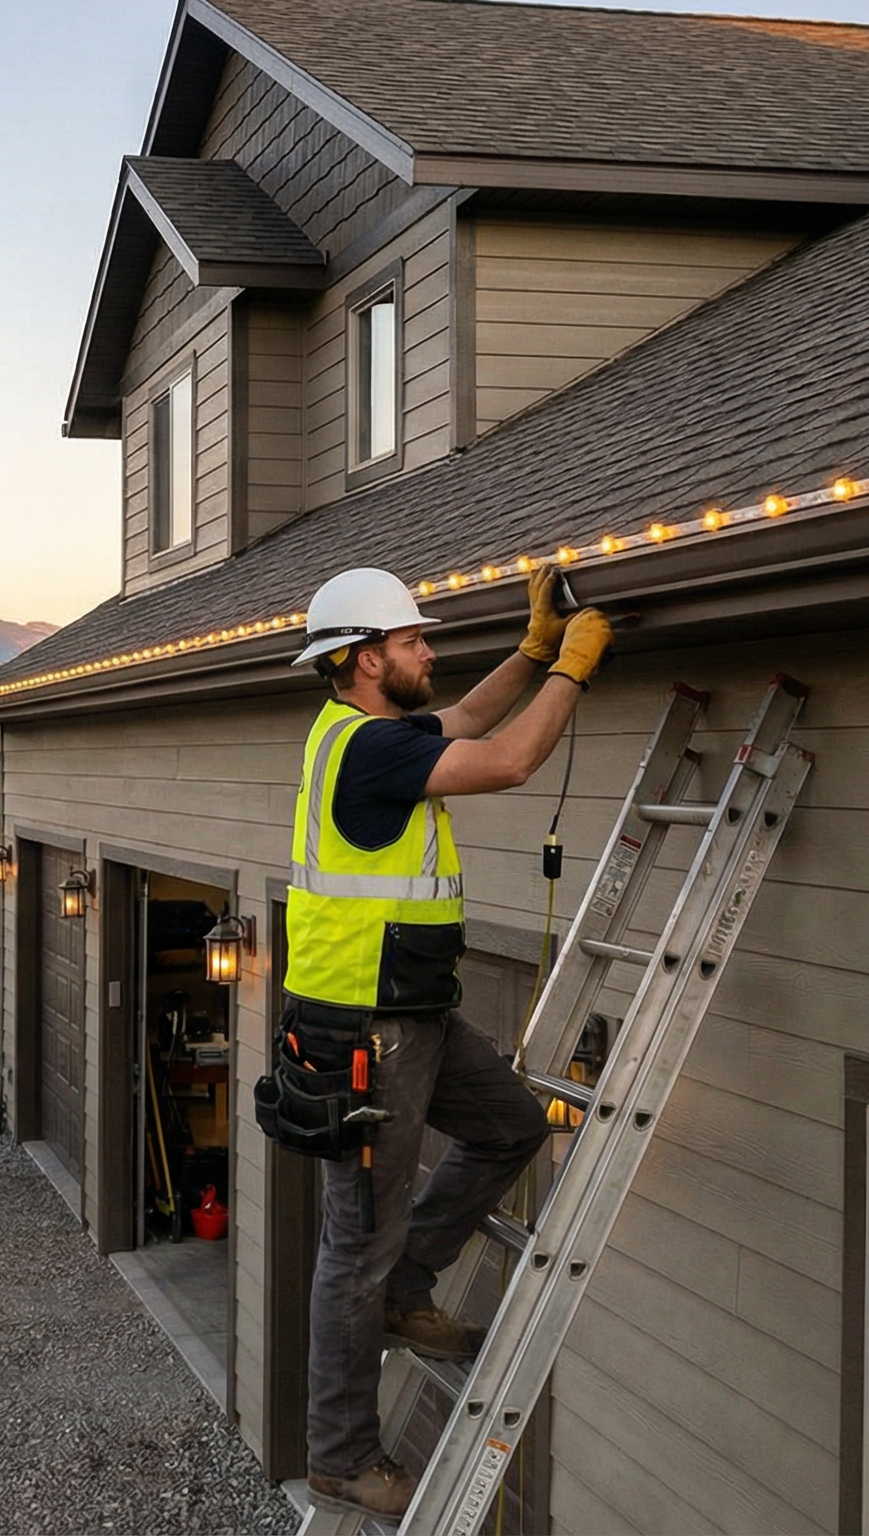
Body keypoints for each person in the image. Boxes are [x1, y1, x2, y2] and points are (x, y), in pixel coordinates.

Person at [280, 565, 611, 1518]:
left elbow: (463, 718)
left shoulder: (365, 734)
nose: (429, 650)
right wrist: (576, 671)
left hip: (410, 1011)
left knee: (512, 1125)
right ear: (365, 659)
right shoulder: (368, 751)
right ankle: (341, 1455)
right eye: (412, 640)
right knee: (357, 1245)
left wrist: (535, 652)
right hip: (363, 1029)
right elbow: (506, 760)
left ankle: (406, 1288)